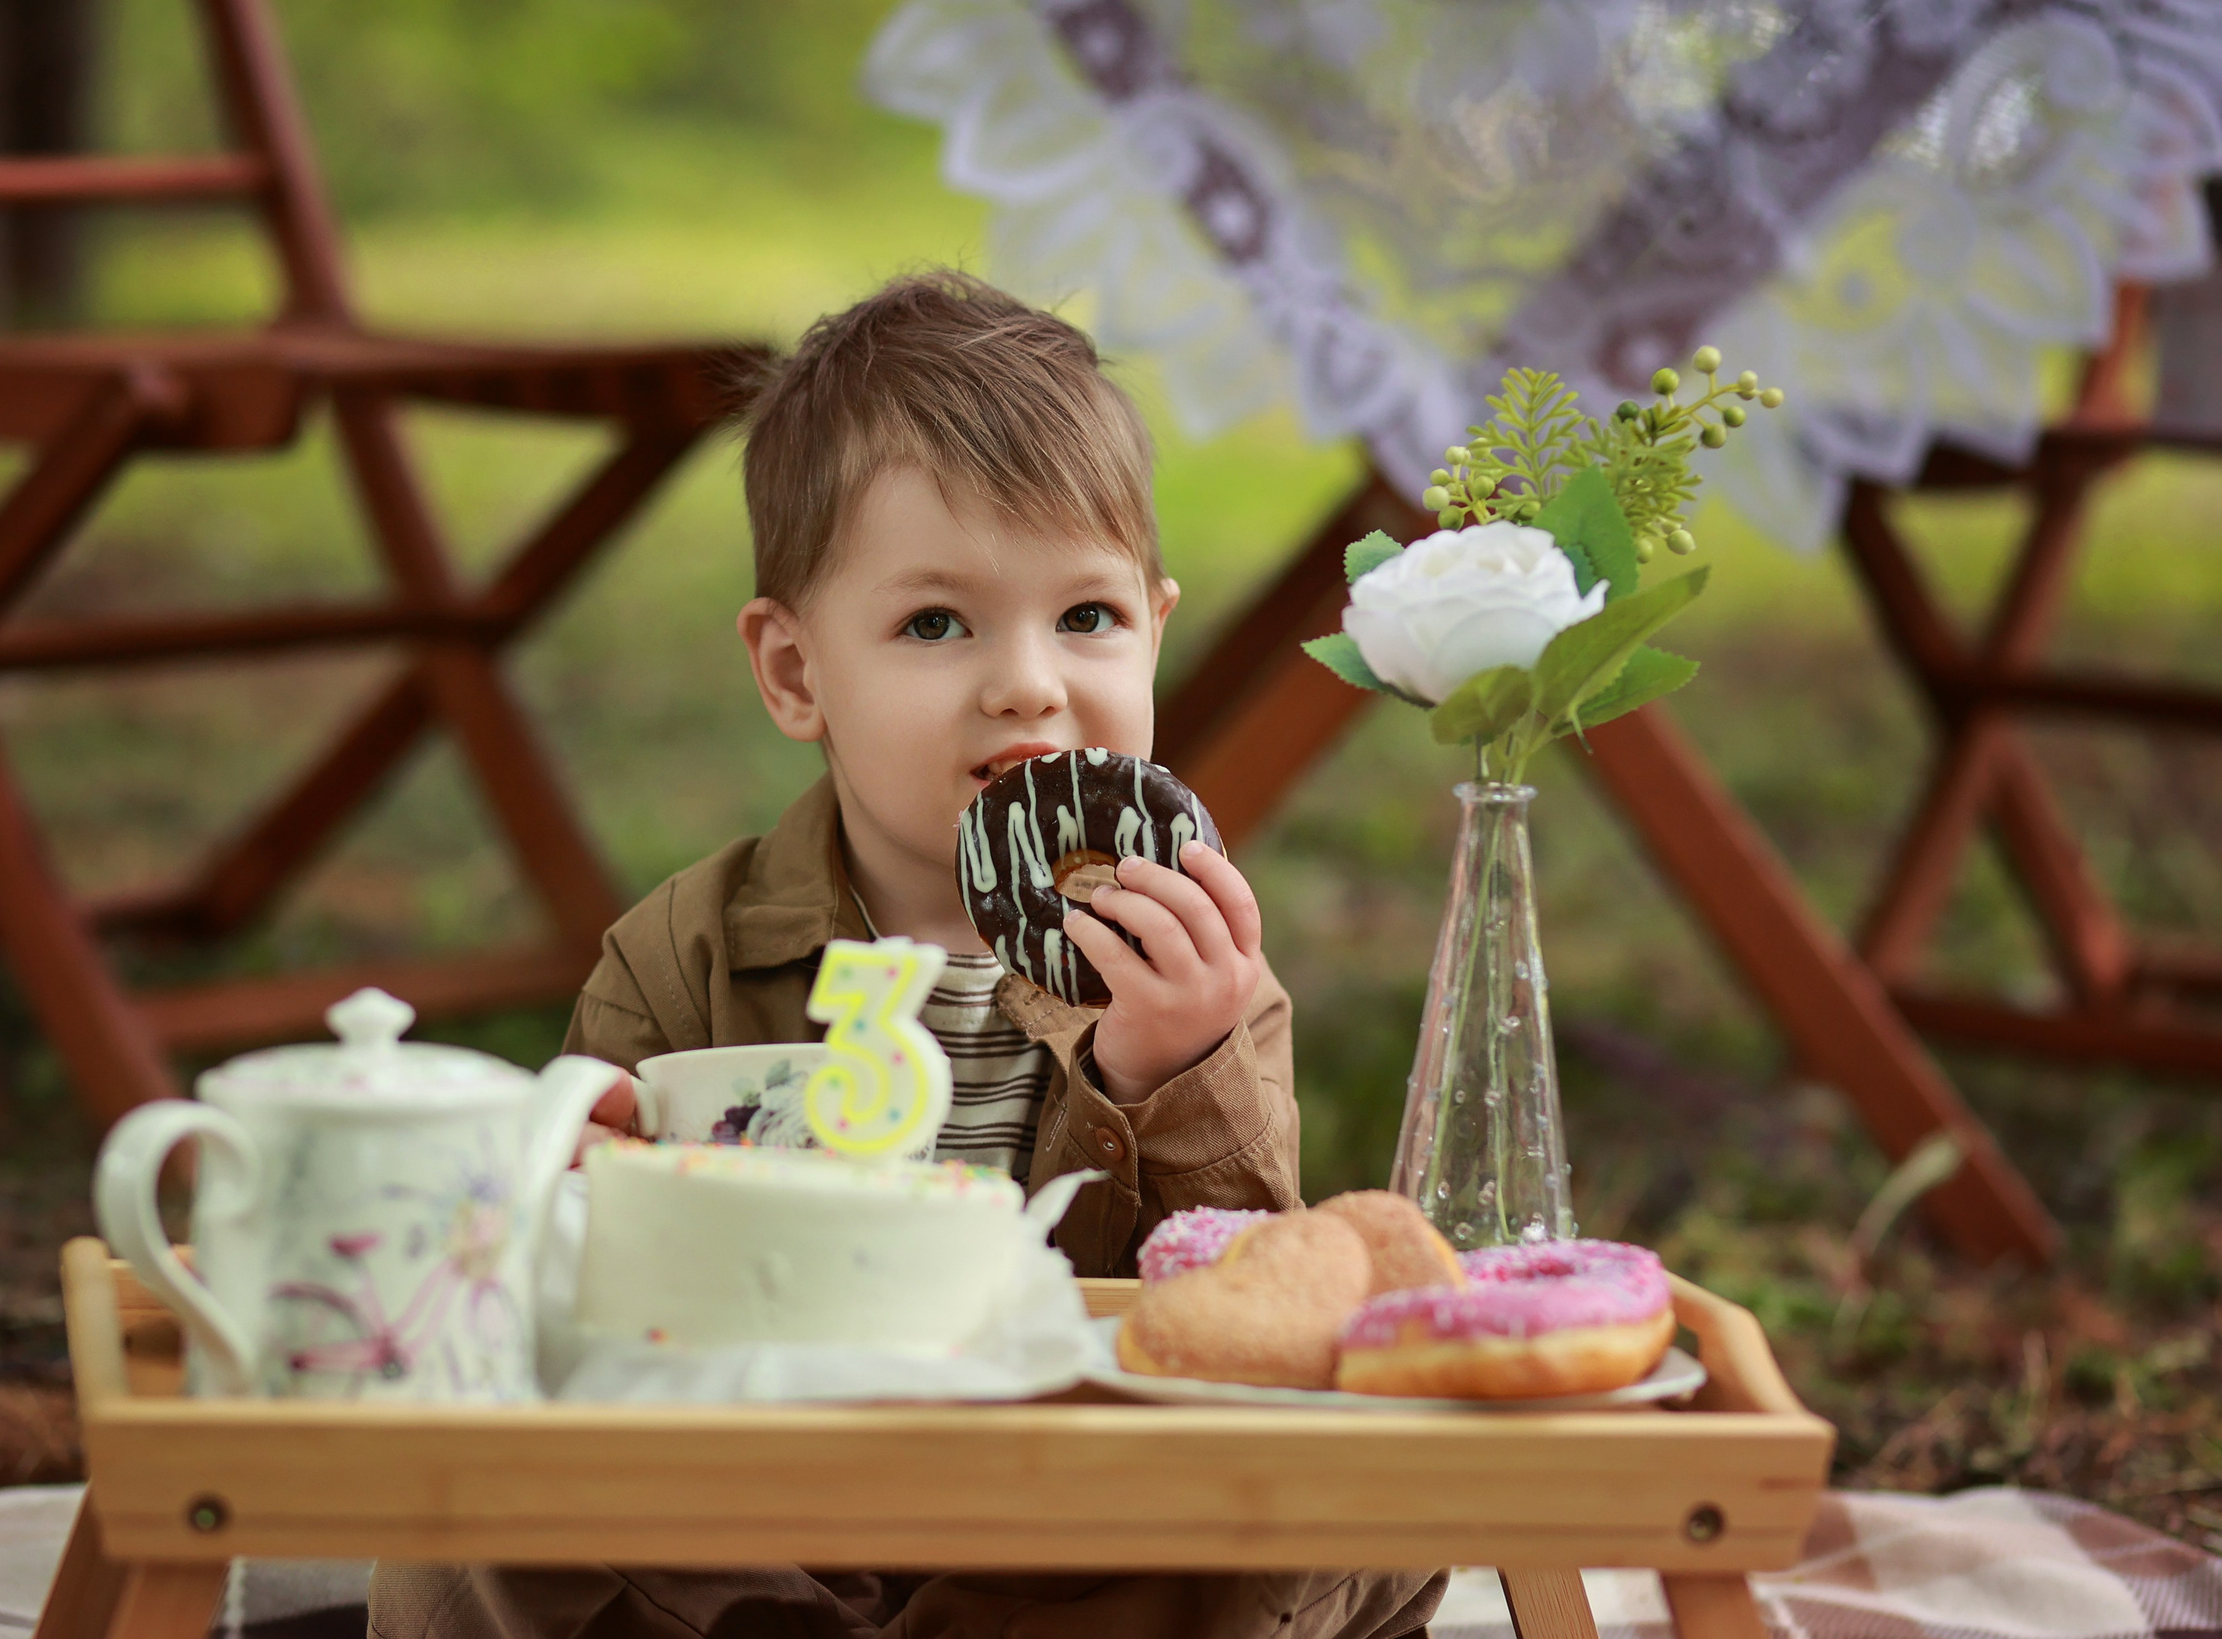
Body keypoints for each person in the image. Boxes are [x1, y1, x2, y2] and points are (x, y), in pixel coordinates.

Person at [368, 272, 1445, 1639]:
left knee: (1386, 1488)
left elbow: (1243, 1320)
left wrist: (1170, 1073)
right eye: (936, 624)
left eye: (1088, 618)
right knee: (500, 1495)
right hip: (769, 1500)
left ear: (1156, 630)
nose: (1029, 683)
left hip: (1067, 1505)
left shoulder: (1191, 968)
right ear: (796, 673)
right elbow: (574, 1312)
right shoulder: (683, 953)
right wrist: (579, 1183)